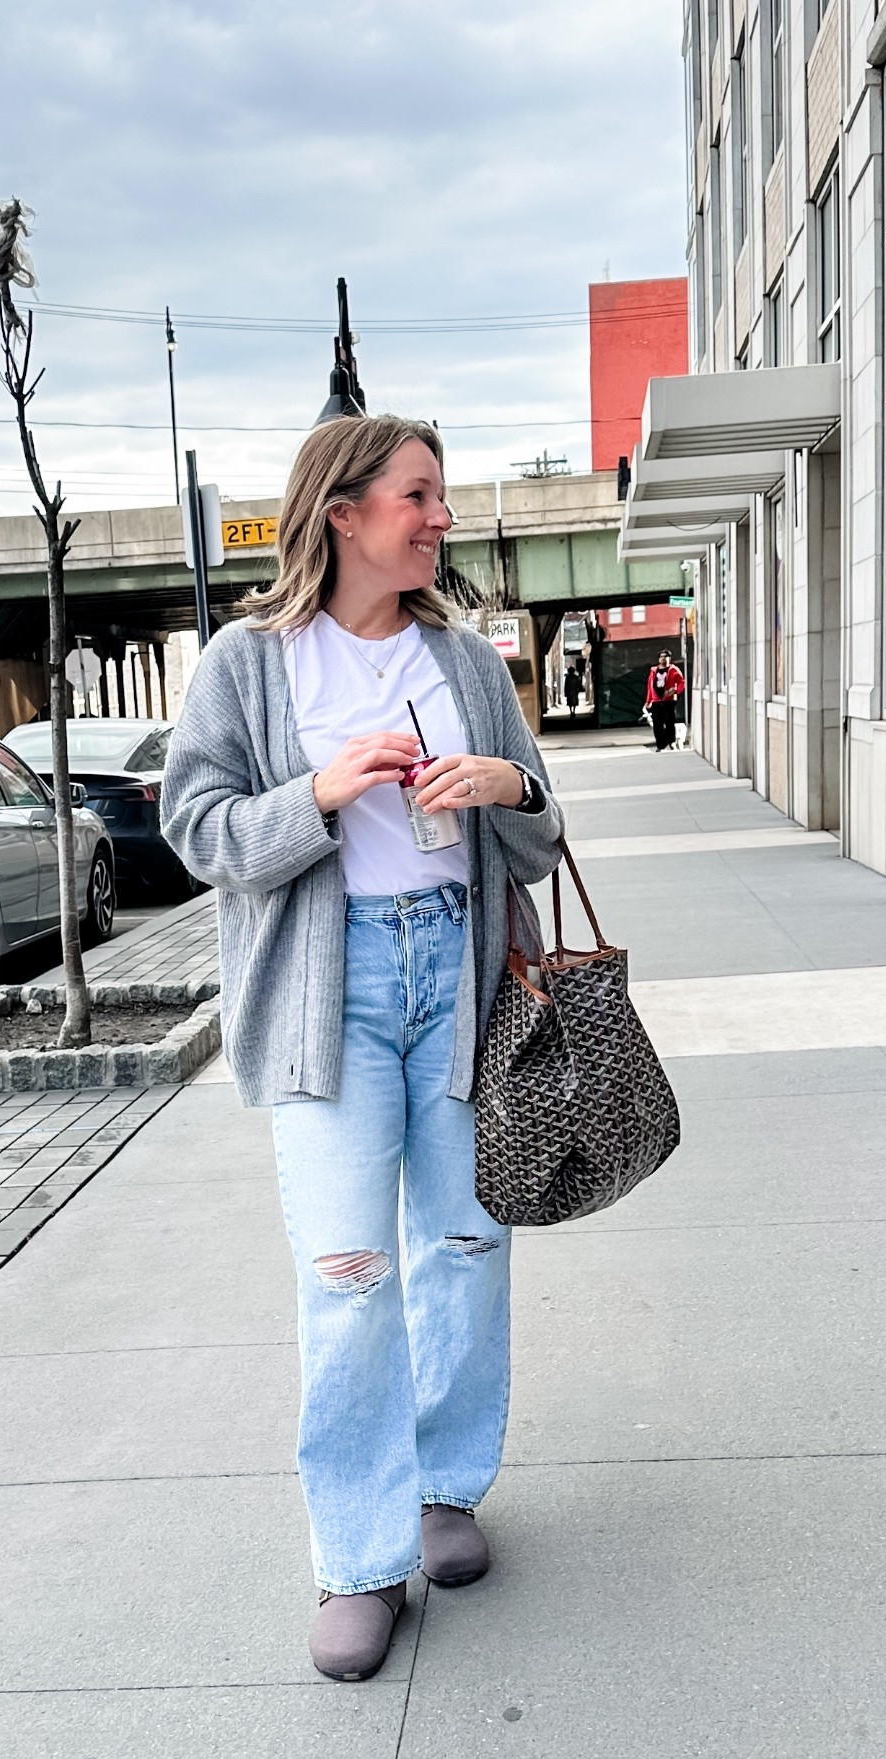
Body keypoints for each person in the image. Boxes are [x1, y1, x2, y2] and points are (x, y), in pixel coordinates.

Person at [160, 414, 563, 1683]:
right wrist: (324, 793)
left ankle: (445, 1486)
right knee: (347, 1272)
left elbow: (541, 827)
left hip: (463, 972)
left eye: (439, 498)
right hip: (330, 997)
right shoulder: (249, 661)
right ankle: (356, 1552)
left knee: (462, 1242)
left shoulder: (463, 657)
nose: (440, 518)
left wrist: (505, 787)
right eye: (420, 495)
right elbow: (198, 828)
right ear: (343, 511)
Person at [645, 649, 685, 751]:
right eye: (661, 656)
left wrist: (675, 690)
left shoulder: (673, 670)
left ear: (669, 658)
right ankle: (661, 745)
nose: (663, 658)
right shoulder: (653, 671)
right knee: (657, 724)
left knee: (669, 722)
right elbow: (650, 686)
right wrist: (648, 700)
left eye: (665, 656)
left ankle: (671, 742)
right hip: (656, 700)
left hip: (669, 700)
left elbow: (682, 682)